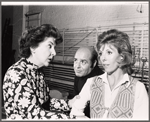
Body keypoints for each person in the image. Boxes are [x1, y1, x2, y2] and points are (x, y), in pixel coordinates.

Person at [70, 29, 149, 120]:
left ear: (122, 56)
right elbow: (75, 112)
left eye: (109, 52)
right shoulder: (91, 83)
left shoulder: (138, 88)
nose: (103, 58)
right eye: (101, 53)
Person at [3, 24, 72, 120]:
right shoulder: (16, 73)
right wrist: (69, 119)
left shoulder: (38, 72)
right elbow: (34, 114)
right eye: (49, 46)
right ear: (33, 47)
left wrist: (70, 103)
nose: (54, 53)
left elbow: (46, 103)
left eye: (54, 47)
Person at [68, 46, 104, 118]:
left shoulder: (100, 81)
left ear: (93, 64)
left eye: (83, 62)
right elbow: (75, 98)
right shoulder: (80, 73)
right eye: (75, 60)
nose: (77, 66)